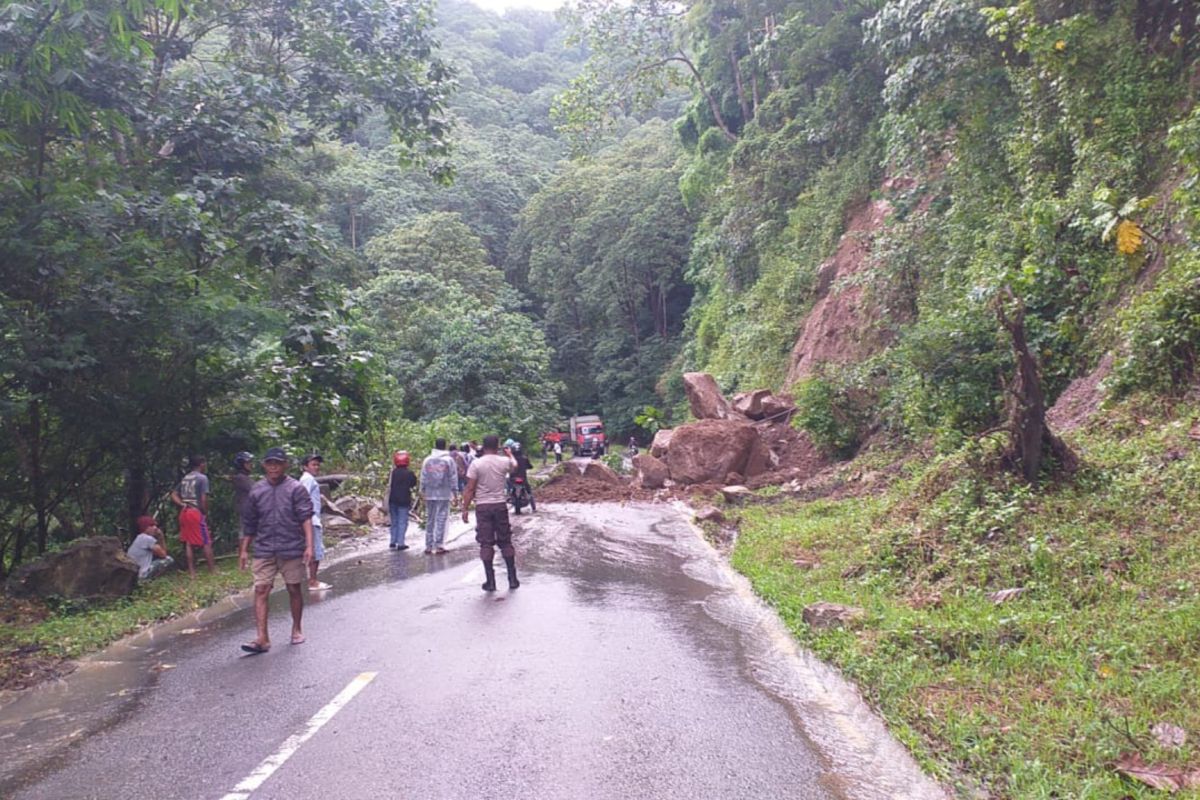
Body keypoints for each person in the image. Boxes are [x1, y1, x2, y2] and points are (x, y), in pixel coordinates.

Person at [239, 447, 314, 653]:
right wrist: (244, 550)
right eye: (270, 463)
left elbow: (305, 517)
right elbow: (250, 522)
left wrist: (309, 545)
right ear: (264, 465)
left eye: (278, 463)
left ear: (285, 465)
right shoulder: (257, 490)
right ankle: (262, 638)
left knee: (293, 588)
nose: (273, 467)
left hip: (291, 546)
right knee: (261, 589)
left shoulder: (296, 488)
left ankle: (296, 628)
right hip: (264, 548)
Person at [462, 435, 519, 591]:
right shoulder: (504, 462)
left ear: (483, 446)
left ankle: (490, 581)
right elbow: (515, 465)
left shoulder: (476, 464)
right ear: (498, 445)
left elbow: (470, 488)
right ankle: (512, 579)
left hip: (483, 507)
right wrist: (510, 454)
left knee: (486, 543)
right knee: (506, 541)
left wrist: (465, 508)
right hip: (500, 505)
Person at [171, 455, 215, 577]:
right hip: (195, 512)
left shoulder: (186, 478)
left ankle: (192, 572)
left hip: (185, 512)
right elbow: (203, 498)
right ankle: (212, 571)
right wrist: (205, 512)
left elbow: (173, 494)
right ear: (201, 464)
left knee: (188, 542)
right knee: (206, 541)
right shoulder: (202, 478)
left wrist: (181, 504)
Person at [420, 438, 456, 555]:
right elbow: (453, 477)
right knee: (441, 518)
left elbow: (423, 476)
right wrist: (455, 492)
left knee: (430, 518)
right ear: (444, 446)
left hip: (430, 493)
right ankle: (439, 545)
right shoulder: (448, 460)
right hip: (444, 492)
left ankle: (428, 546)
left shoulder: (427, 460)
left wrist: (422, 490)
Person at [299, 452, 329, 591]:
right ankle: (312, 581)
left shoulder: (310, 479)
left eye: (318, 465)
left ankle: (312, 579)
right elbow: (301, 498)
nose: (316, 467)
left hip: (313, 518)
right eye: (313, 464)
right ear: (305, 467)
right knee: (315, 550)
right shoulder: (307, 480)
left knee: (315, 550)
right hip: (311, 519)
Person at [385, 450, 416, 550]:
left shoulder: (393, 472)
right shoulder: (409, 473)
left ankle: (393, 541)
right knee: (402, 522)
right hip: (404, 500)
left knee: (394, 521)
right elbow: (413, 484)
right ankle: (401, 543)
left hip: (392, 499)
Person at [127, 516, 174, 581]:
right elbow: (163, 555)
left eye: (155, 525)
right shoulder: (147, 539)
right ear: (145, 527)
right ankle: (151, 580)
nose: (155, 528)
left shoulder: (139, 538)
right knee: (169, 559)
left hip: (134, 575)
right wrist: (161, 537)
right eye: (151, 525)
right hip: (142, 575)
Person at [232, 451, 255, 538]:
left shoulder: (245, 478)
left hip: (248, 510)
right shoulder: (241, 478)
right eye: (248, 463)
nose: (251, 465)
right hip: (245, 510)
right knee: (244, 534)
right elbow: (256, 490)